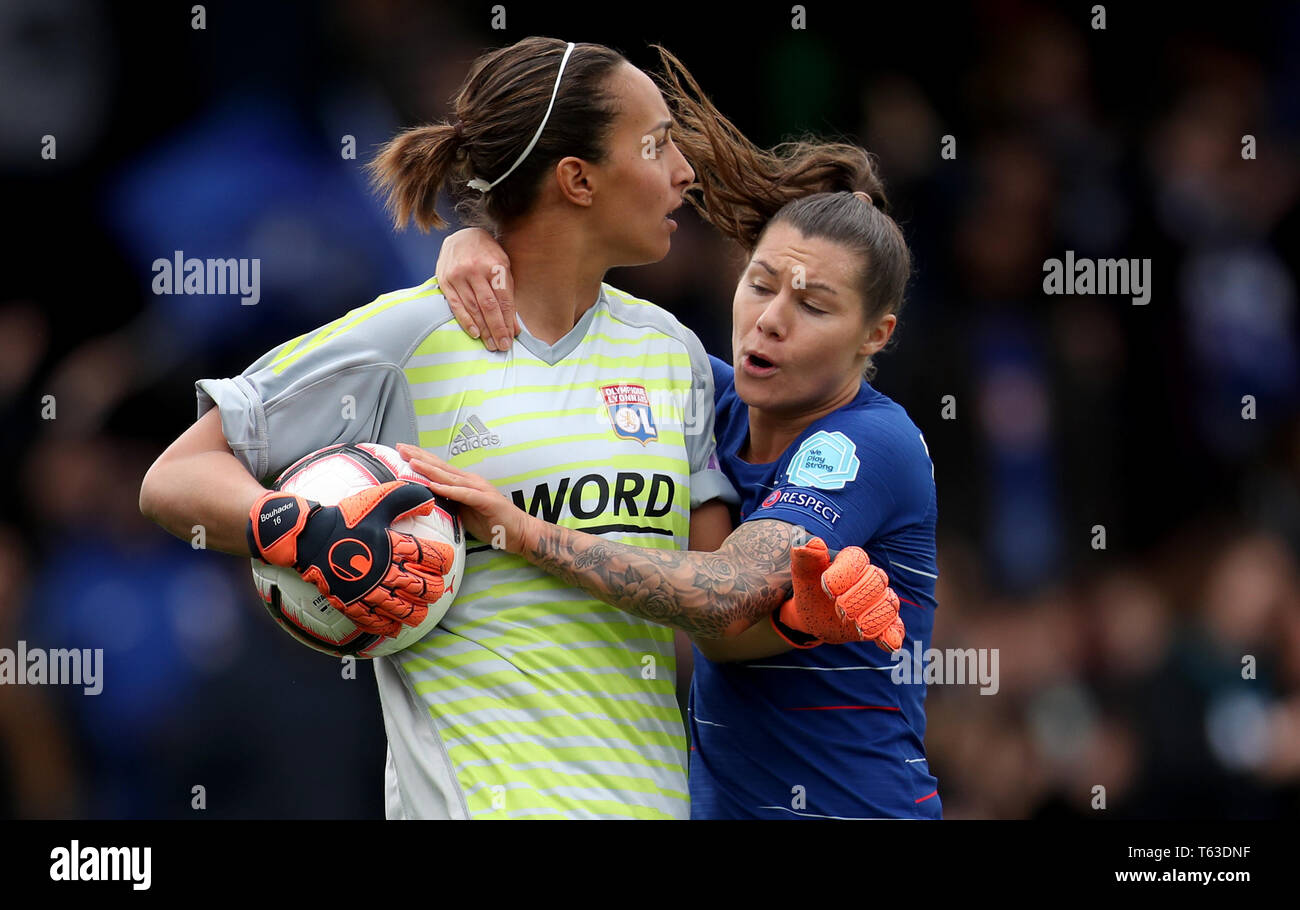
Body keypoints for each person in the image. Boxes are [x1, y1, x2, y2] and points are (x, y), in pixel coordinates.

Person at [139, 36, 754, 820]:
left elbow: (714, 611)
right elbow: (173, 480)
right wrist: (300, 527)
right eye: (658, 143)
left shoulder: (673, 356)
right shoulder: (413, 337)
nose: (684, 172)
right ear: (577, 179)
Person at [402, 58, 940, 818]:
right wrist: (478, 245)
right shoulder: (695, 392)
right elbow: (725, 637)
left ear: (874, 336)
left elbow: (721, 593)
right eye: (760, 283)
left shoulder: (863, 445)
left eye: (814, 306)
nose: (772, 319)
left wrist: (523, 533)